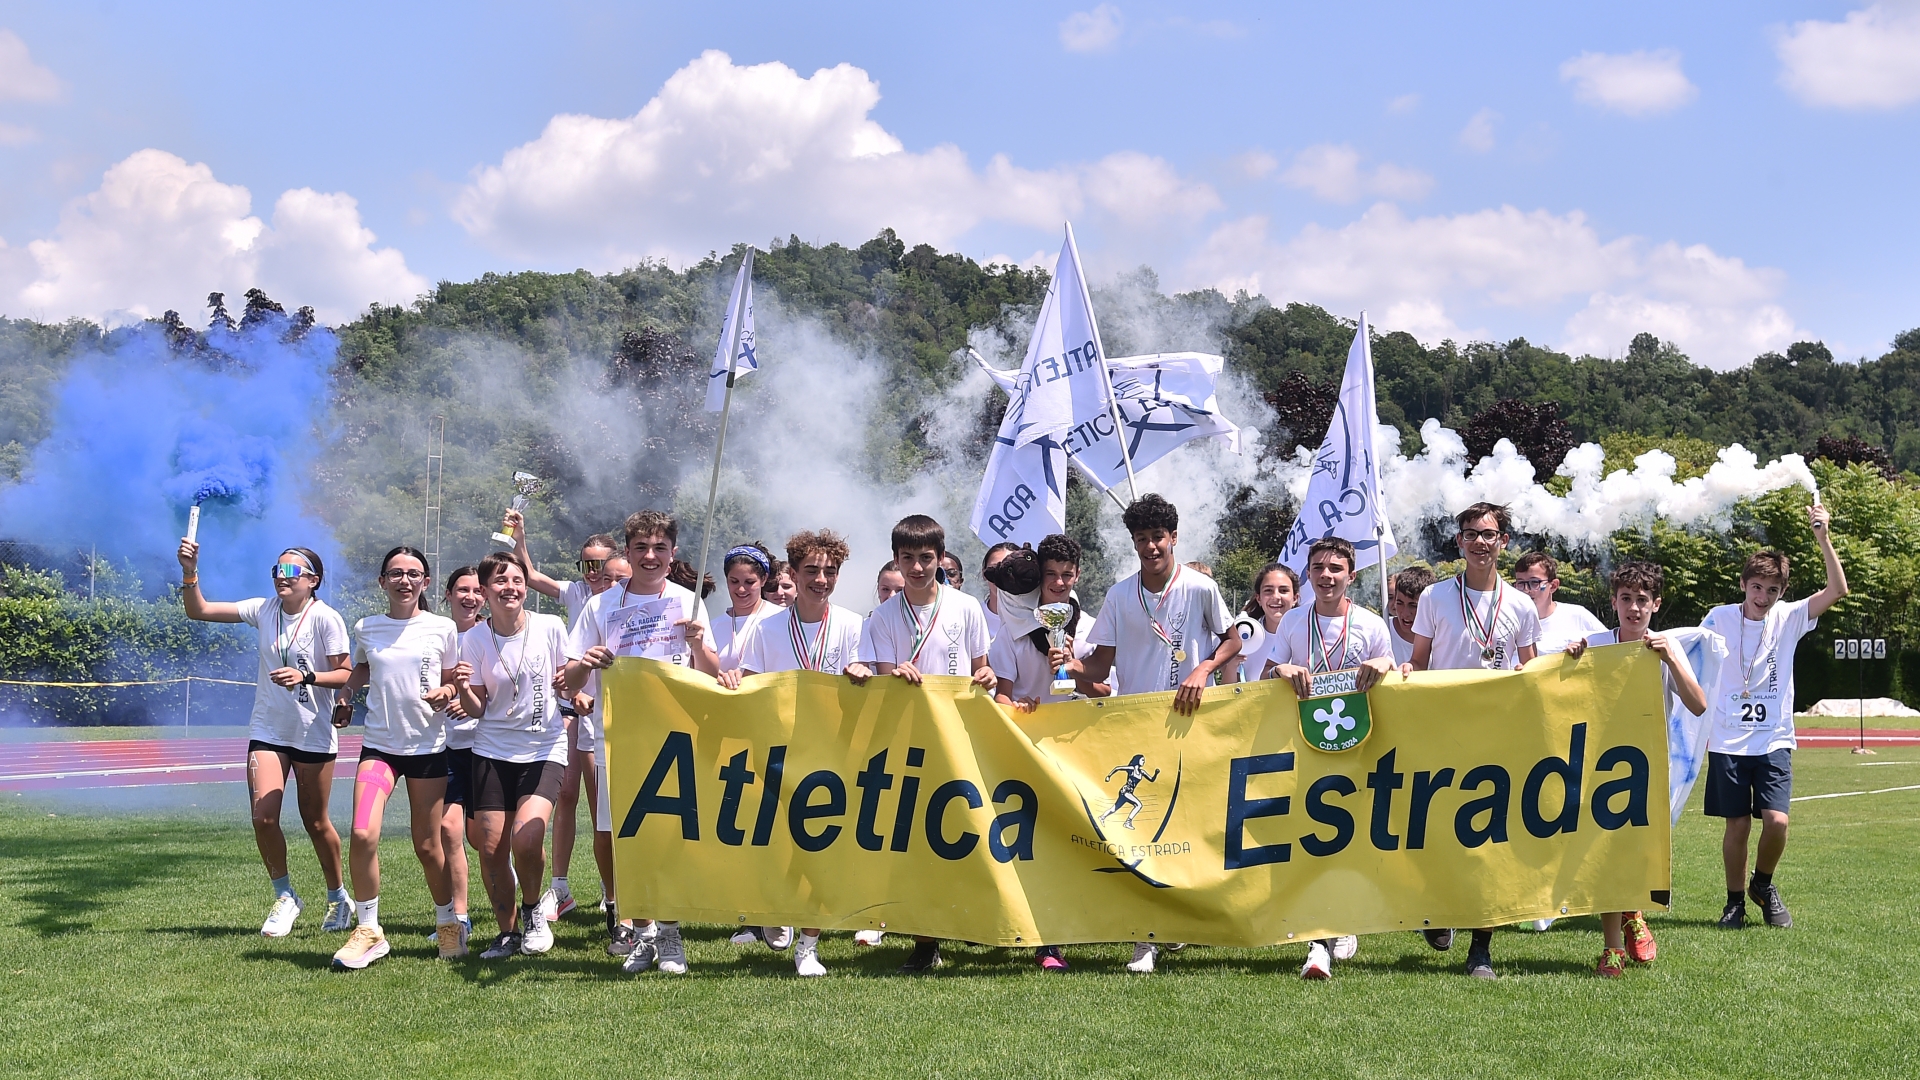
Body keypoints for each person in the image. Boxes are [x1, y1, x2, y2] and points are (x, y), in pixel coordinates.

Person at [1054, 494, 1238, 975]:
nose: (1150, 547)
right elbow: (1100, 663)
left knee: (1187, 825)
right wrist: (1070, 665)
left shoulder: (1199, 588)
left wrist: (1202, 669)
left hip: (1188, 719)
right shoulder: (1118, 595)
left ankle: (1180, 919)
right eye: (1141, 539)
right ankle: (1144, 938)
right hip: (1135, 723)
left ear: (1173, 537)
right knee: (1145, 829)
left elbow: (1233, 639)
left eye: (1158, 537)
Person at [566, 509, 721, 974]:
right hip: (617, 738)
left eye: (659, 548)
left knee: (669, 834)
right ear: (627, 554)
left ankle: (670, 933)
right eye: (641, 548)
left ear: (673, 554)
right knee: (627, 838)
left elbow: (713, 674)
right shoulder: (601, 606)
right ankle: (645, 930)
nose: (650, 556)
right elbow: (566, 677)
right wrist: (586, 664)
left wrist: (697, 644)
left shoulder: (688, 602)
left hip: (675, 735)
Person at [177, 538, 352, 938]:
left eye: (291, 572)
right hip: (268, 730)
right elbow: (198, 610)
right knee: (263, 816)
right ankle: (285, 895)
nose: (281, 578)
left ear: (314, 580)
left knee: (316, 822)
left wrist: (305, 676)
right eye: (277, 570)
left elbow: (346, 674)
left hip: (312, 733)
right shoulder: (264, 609)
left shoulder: (326, 619)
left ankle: (338, 896)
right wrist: (190, 571)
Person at [845, 514, 995, 974]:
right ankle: (924, 939)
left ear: (941, 558)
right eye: (907, 559)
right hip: (908, 739)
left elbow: (982, 668)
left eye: (925, 558)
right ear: (895, 559)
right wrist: (895, 676)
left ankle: (974, 923)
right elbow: (883, 682)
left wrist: (986, 677)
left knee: (965, 832)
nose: (916, 567)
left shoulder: (967, 607)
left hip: (959, 736)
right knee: (916, 840)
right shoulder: (884, 617)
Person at [719, 530, 867, 976]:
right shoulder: (766, 628)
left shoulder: (852, 624)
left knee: (819, 847)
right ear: (793, 573)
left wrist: (860, 671)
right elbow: (750, 683)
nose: (821, 579)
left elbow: (868, 675)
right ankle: (776, 910)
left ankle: (809, 944)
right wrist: (732, 681)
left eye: (830, 571)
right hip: (777, 750)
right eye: (811, 571)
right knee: (778, 844)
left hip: (831, 751)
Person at [1406, 502, 1541, 978]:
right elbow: (1419, 663)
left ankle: (1481, 946)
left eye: (1490, 534)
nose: (1481, 542)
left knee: (1490, 836)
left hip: (1497, 735)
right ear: (1458, 542)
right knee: (1441, 830)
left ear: (1504, 542)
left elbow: (1529, 670)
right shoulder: (1435, 598)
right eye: (1471, 534)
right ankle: (1441, 910)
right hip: (1443, 731)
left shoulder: (1522, 604)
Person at [1700, 503, 1846, 931]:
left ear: (1782, 592)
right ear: (1744, 584)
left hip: (1774, 738)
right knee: (1738, 825)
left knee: (1777, 822)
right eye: (1757, 587)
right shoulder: (1718, 618)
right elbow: (1689, 649)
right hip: (1728, 738)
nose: (1763, 597)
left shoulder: (1789, 616)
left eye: (1772, 590)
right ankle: (1733, 903)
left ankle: (1762, 884)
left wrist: (1823, 537)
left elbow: (1837, 590)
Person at [1565, 560, 1708, 977]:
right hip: (1600, 770)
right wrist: (1571, 658)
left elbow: (1698, 704)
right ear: (1614, 602)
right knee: (1605, 855)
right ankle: (1612, 948)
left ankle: (1634, 912)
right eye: (1625, 599)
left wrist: (1670, 661)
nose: (1633, 608)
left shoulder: (1665, 646)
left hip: (1647, 769)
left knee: (1638, 855)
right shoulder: (1594, 642)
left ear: (1655, 605)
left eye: (1642, 600)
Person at [1264, 537, 1395, 980]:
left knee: (1350, 838)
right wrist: (1281, 669)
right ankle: (1318, 942)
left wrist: (1384, 666)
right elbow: (1267, 673)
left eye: (1336, 568)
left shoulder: (1372, 624)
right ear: (1308, 574)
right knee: (1311, 837)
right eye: (1318, 567)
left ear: (1351, 576)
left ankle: (1342, 920)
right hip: (1304, 743)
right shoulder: (1293, 623)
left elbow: (1395, 675)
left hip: (1357, 743)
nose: (1326, 575)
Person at [328, 547, 463, 968]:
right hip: (380, 747)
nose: (405, 581)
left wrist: (448, 693)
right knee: (363, 834)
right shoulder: (367, 627)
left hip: (426, 750)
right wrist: (347, 694)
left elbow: (452, 680)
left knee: (427, 845)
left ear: (425, 583)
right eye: (396, 573)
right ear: (382, 582)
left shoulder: (442, 628)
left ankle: (448, 924)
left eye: (414, 574)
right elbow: (363, 668)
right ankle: (368, 930)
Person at [452, 551, 572, 960]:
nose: (511, 588)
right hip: (491, 750)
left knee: (527, 836)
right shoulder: (475, 638)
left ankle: (535, 909)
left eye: (517, 580)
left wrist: (579, 684)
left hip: (543, 748)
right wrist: (465, 689)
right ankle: (507, 932)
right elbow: (477, 708)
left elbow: (568, 682)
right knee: (490, 848)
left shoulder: (550, 626)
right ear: (485, 592)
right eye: (500, 582)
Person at [513, 519, 628, 925]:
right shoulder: (580, 593)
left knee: (604, 807)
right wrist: (520, 540)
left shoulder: (628, 598)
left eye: (603, 567)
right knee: (565, 797)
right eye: (588, 566)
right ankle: (560, 887)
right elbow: (529, 576)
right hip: (572, 704)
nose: (595, 574)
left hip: (604, 708)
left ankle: (612, 891)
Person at [437, 566, 487, 942]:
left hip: (488, 748)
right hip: (448, 749)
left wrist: (466, 700)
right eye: (461, 590)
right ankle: (459, 918)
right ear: (448, 594)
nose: (469, 597)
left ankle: (519, 895)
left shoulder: (492, 634)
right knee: (449, 830)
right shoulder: (436, 634)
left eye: (476, 590)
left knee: (483, 840)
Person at [1514, 552, 1605, 656]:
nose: (1526, 590)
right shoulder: (1509, 621)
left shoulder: (1578, 615)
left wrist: (1584, 650)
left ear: (1553, 586)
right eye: (1520, 583)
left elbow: (1611, 645)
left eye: (1534, 582)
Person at [711, 543, 781, 671]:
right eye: (734, 581)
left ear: (764, 579)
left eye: (749, 582)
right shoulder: (712, 627)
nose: (741, 589)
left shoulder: (781, 618)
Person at [1233, 561, 1299, 682]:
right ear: (1259, 598)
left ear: (1295, 598)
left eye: (1283, 590)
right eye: (1268, 590)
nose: (1276, 597)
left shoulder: (1308, 633)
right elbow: (1229, 689)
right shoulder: (1244, 634)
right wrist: (1232, 664)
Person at [1386, 565, 1434, 667]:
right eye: (1400, 603)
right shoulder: (1382, 631)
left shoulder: (1443, 636)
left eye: (1413, 605)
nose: (1405, 613)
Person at [980, 541, 1020, 643]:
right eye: (994, 568)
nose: (1001, 576)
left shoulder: (1035, 617)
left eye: (1010, 569)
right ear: (984, 574)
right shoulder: (974, 614)